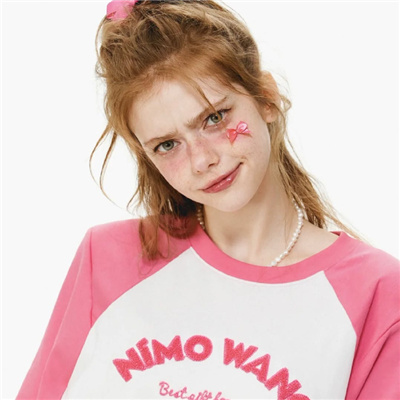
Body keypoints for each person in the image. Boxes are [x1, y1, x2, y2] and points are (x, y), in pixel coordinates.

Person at [17, 0, 399, 399]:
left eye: (214, 118)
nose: (202, 161)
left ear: (266, 98)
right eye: (167, 144)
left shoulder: (375, 294)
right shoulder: (107, 259)